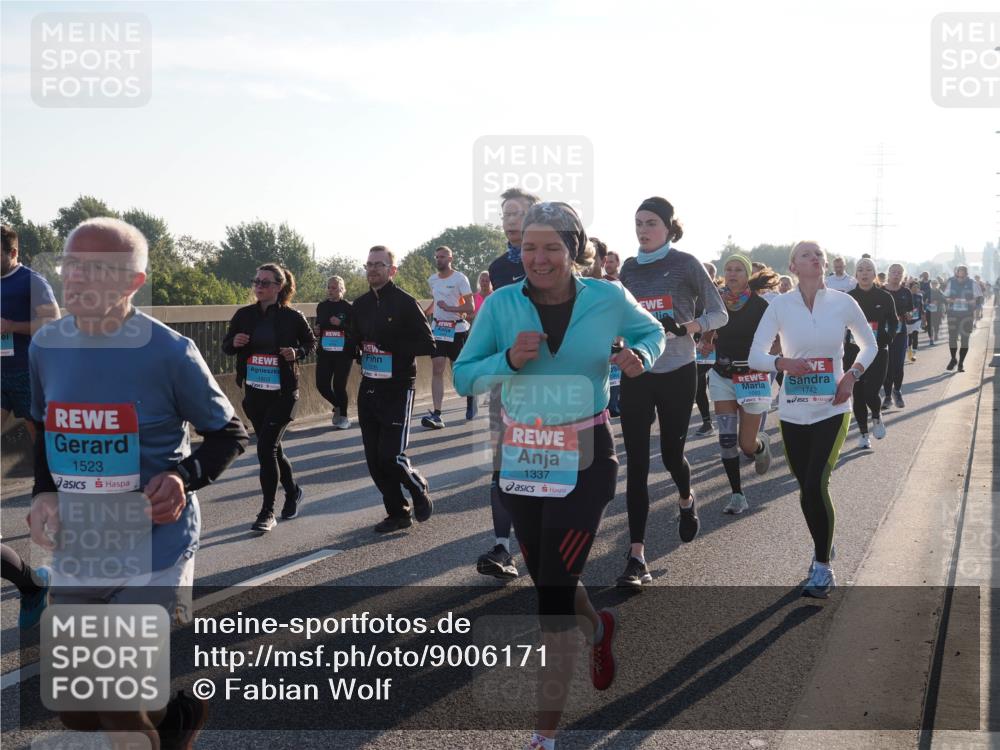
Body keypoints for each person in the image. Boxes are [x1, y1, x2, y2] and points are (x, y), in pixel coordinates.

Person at [453, 202, 666, 750]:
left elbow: (652, 332)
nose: (538, 258)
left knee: (550, 598)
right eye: (528, 247)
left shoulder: (607, 296)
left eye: (551, 247)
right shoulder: (501, 304)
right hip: (523, 455)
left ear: (575, 250)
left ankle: (543, 736)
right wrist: (508, 361)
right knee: (548, 575)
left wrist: (639, 352)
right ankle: (598, 628)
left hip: (586, 452)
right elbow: (463, 377)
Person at [29, 217, 248, 747]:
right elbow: (44, 428)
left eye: (96, 268)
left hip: (156, 542)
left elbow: (229, 433)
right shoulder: (46, 346)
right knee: (78, 712)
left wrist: (183, 475)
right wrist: (43, 492)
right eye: (70, 264)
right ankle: (175, 721)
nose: (76, 279)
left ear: (132, 282)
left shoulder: (169, 353)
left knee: (117, 702)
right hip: (82, 544)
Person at [748, 241, 877, 597]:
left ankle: (822, 566)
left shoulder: (842, 301)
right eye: (807, 254)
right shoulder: (780, 306)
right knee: (807, 488)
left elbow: (870, 344)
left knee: (817, 481)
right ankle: (825, 539)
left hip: (833, 407)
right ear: (793, 265)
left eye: (819, 253)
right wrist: (782, 363)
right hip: (792, 410)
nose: (816, 258)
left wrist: (851, 375)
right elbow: (755, 354)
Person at [617, 196, 728, 588]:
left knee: (670, 454)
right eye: (637, 223)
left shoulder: (686, 264)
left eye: (650, 223)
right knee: (636, 465)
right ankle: (636, 557)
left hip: (679, 370)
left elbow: (719, 313)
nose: (642, 230)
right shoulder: (628, 269)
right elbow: (622, 317)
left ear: (668, 227)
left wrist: (688, 327)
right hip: (638, 371)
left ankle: (686, 497)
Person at [223, 263, 315, 532]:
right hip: (254, 394)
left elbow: (311, 343)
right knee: (274, 448)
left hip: (284, 393)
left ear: (279, 286)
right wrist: (235, 343)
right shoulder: (244, 315)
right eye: (256, 282)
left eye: (265, 283)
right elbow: (227, 346)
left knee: (265, 449)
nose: (259, 287)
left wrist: (296, 352)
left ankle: (267, 512)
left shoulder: (292, 317)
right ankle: (294, 491)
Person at [350, 246, 436, 532]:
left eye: (379, 264)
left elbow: (428, 344)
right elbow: (354, 341)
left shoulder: (404, 302)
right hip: (370, 385)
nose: (373, 269)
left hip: (398, 387)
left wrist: (392, 347)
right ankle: (398, 512)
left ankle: (417, 485)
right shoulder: (360, 305)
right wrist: (357, 350)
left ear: (391, 270)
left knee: (391, 455)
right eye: (369, 264)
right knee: (374, 460)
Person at [479, 187, 541, 579]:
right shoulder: (499, 267)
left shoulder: (552, 257)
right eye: (504, 213)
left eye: (516, 212)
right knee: (503, 466)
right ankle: (503, 548)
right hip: (508, 378)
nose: (508, 219)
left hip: (550, 379)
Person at [696, 254, 777, 515]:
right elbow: (707, 334)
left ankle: (760, 445)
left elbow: (776, 341)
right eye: (728, 269)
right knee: (727, 439)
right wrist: (706, 343)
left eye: (738, 270)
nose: (732, 274)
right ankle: (737, 495)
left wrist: (766, 361)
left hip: (752, 377)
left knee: (746, 444)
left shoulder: (760, 306)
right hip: (722, 376)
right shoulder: (716, 302)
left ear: (747, 275)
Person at [1, 225, 60, 445]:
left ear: (13, 253)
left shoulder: (32, 281)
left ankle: (46, 478)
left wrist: (11, 326)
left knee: (39, 436)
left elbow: (52, 322)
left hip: (25, 371)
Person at [846, 258, 897, 449]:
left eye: (868, 269)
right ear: (856, 275)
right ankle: (863, 434)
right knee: (858, 394)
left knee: (871, 392)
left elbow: (893, 321)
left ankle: (876, 416)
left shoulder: (884, 297)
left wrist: (888, 337)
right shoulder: (849, 298)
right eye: (860, 270)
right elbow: (840, 323)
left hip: (878, 350)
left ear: (874, 274)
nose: (864, 273)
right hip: (853, 352)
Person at [422, 245, 476, 427]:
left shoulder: (460, 278)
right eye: (437, 257)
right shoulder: (433, 280)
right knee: (437, 368)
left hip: (457, 330)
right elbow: (437, 301)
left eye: (443, 257)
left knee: (458, 371)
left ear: (451, 259)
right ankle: (437, 414)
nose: (439, 260)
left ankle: (471, 398)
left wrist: (451, 308)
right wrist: (424, 312)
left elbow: (470, 307)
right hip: (438, 330)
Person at [315, 275, 356, 430]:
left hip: (343, 353)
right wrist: (317, 330)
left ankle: (344, 417)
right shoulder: (322, 306)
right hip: (326, 351)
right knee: (321, 384)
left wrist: (342, 324)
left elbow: (355, 330)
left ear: (341, 289)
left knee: (339, 386)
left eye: (334, 288)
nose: (330, 290)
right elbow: (319, 326)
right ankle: (338, 405)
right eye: (329, 287)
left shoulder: (348, 307)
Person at [881, 263, 912, 410]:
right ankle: (887, 396)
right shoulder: (881, 291)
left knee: (898, 364)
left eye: (899, 272)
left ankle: (897, 391)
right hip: (885, 333)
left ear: (903, 275)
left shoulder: (906, 292)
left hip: (900, 333)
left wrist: (908, 315)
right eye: (893, 272)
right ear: (889, 273)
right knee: (886, 365)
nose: (896, 275)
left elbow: (911, 313)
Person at [693, 261, 718, 437]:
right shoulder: (691, 293)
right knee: (698, 383)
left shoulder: (719, 294)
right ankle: (707, 422)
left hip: (716, 345)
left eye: (705, 272)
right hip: (697, 346)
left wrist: (712, 336)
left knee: (718, 382)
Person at [944, 265, 976, 372]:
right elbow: (945, 297)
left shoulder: (972, 283)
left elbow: (979, 298)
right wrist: (953, 300)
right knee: (952, 338)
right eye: (959, 271)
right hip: (953, 315)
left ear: (966, 273)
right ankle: (953, 359)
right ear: (957, 272)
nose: (961, 273)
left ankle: (961, 363)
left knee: (965, 340)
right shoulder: (951, 282)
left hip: (967, 316)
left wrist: (969, 302)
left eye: (963, 271)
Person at [906, 280, 925, 362]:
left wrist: (924, 318)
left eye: (917, 287)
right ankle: (909, 352)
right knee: (909, 337)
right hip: (908, 320)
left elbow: (921, 307)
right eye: (914, 287)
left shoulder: (920, 296)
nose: (916, 289)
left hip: (917, 319)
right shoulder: (906, 296)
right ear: (910, 288)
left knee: (915, 335)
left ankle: (914, 353)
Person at [926, 279, 945, 346]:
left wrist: (937, 301)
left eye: (935, 283)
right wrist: (928, 302)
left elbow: (944, 300)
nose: (934, 285)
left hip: (937, 311)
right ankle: (931, 339)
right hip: (929, 310)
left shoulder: (940, 291)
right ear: (931, 284)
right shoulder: (928, 291)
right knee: (929, 325)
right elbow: (924, 300)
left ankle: (936, 333)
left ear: (937, 284)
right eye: (933, 283)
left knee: (936, 324)